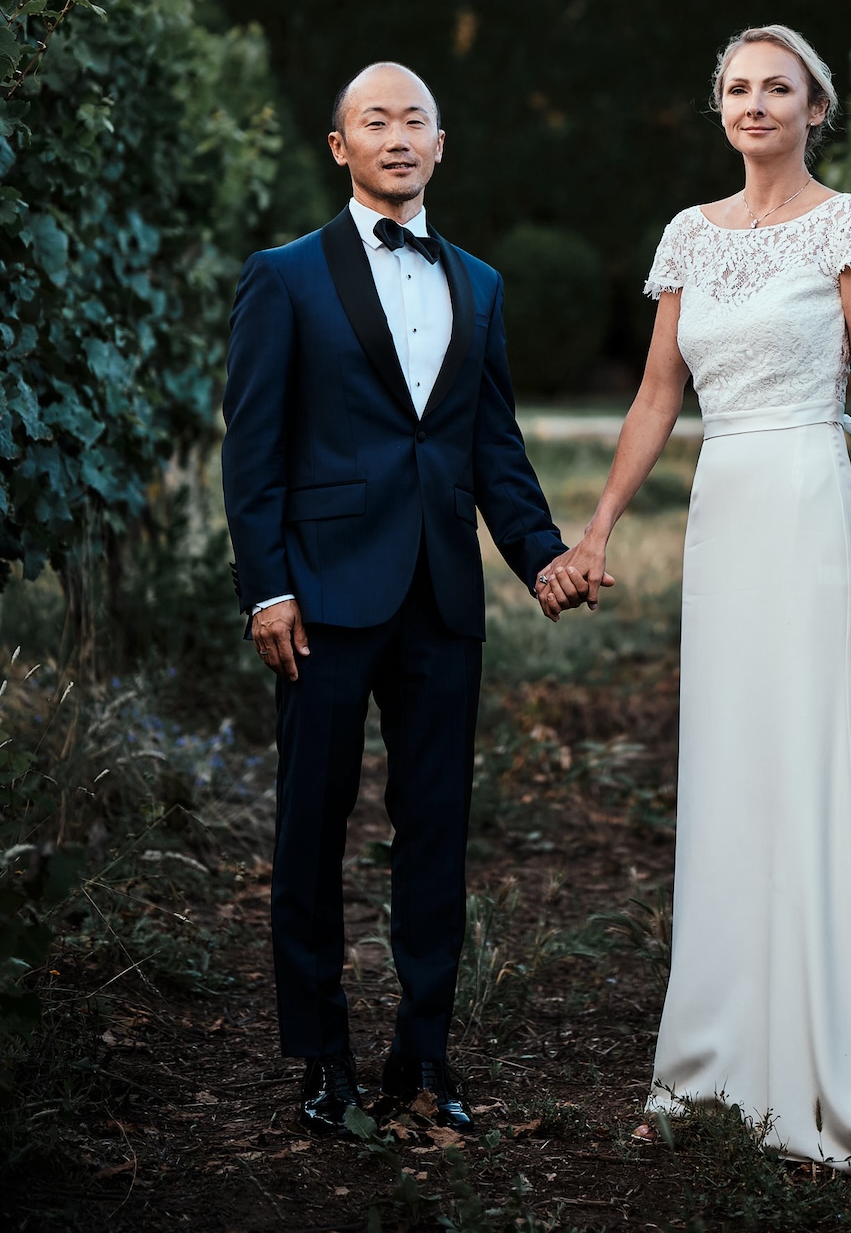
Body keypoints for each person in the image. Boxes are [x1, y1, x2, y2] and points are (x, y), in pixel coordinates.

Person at [543, 25, 851, 1192]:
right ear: (721, 109)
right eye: (739, 89)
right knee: (731, 766)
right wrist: (596, 529)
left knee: (819, 758)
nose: (756, 104)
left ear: (816, 108)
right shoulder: (687, 237)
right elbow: (655, 399)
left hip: (806, 501)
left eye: (778, 88)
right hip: (722, 513)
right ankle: (714, 1060)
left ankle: (839, 1057)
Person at [222, 62, 591, 1138]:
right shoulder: (283, 276)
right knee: (311, 828)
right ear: (339, 147)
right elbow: (252, 454)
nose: (396, 135)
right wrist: (268, 588)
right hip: (322, 598)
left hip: (441, 594)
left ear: (441, 144)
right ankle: (321, 1056)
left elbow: (493, 447)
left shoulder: (478, 282)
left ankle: (423, 1055)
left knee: (435, 829)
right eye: (373, 121)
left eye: (414, 120)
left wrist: (542, 557)